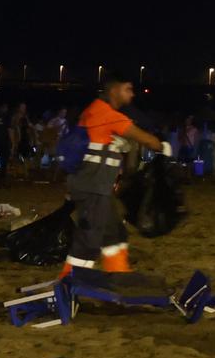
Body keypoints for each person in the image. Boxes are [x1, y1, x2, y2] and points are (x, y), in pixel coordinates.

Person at [63, 78, 171, 277]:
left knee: (115, 233)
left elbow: (99, 140)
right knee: (89, 240)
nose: (132, 94)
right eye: (128, 89)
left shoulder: (94, 111)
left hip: (96, 187)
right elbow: (144, 138)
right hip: (92, 187)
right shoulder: (108, 115)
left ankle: (119, 275)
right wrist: (162, 146)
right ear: (114, 91)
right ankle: (68, 285)